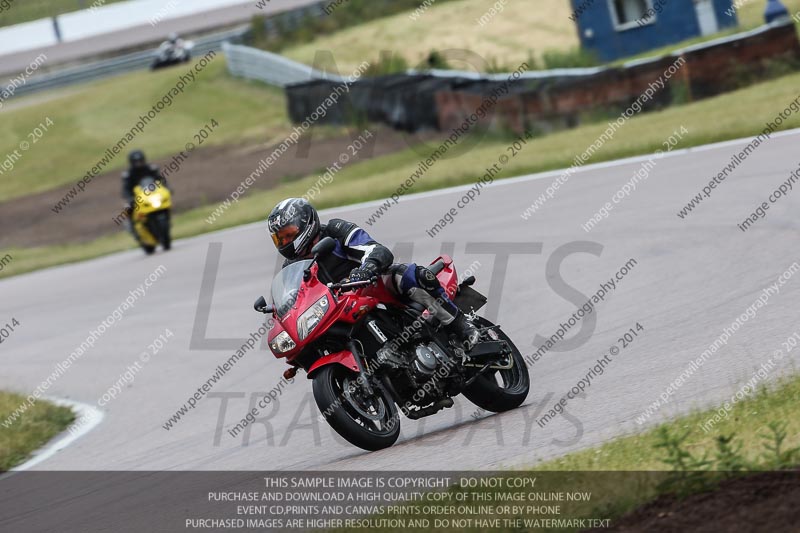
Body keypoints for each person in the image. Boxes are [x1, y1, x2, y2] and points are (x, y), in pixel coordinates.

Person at [267, 198, 480, 349]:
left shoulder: (335, 230)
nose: (285, 242)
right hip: (338, 309)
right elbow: (295, 297)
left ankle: (461, 326)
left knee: (408, 275)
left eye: (288, 234)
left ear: (306, 223)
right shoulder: (291, 266)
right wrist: (281, 312)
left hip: (372, 286)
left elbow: (375, 249)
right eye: (280, 238)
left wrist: (367, 268)